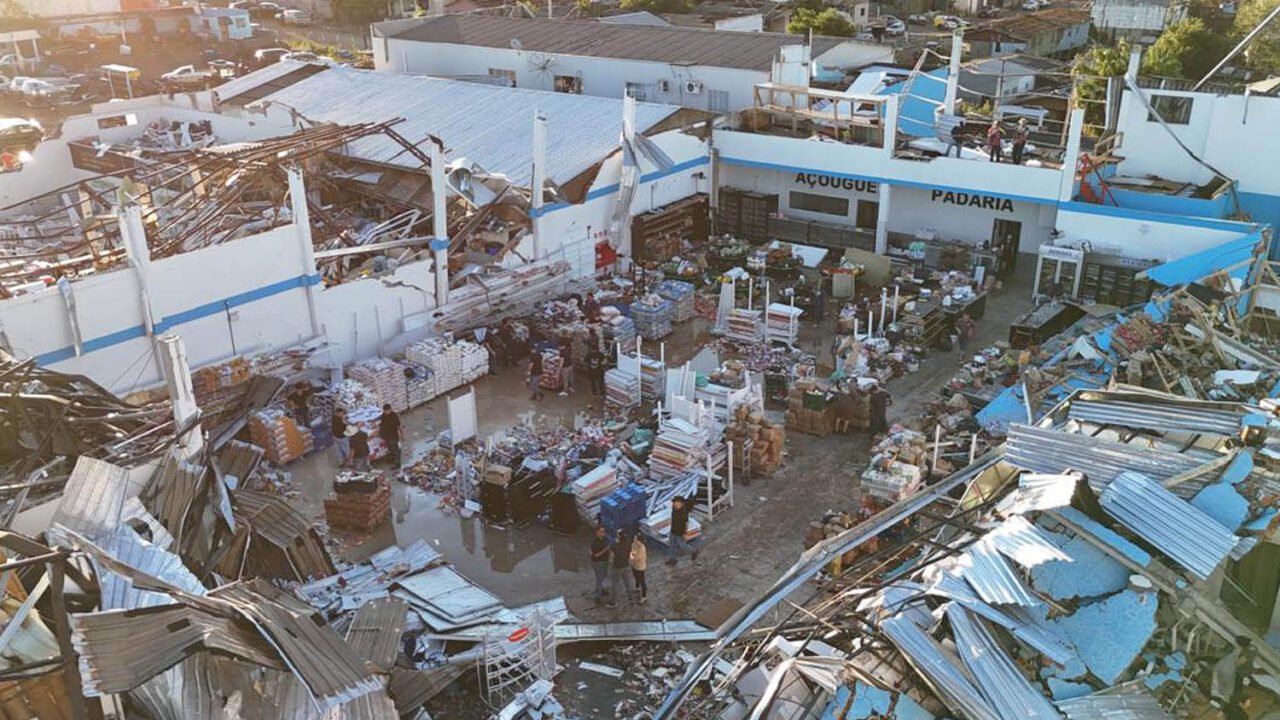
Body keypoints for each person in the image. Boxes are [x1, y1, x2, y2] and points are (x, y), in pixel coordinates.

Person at [666, 496, 700, 565]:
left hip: (680, 532)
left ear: (681, 503)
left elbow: (686, 523)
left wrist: (685, 533)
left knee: (682, 545)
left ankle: (694, 550)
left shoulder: (683, 513)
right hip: (673, 530)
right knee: (672, 545)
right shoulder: (674, 509)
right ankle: (673, 559)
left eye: (676, 503)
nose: (674, 504)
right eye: (674, 503)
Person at [609, 529, 633, 607]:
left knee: (614, 585)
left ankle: (613, 602)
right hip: (626, 565)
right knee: (628, 583)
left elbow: (611, 557)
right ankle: (631, 598)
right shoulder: (628, 544)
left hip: (617, 567)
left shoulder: (614, 546)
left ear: (618, 536)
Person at [590, 525, 611, 604]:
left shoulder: (605, 539)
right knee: (599, 579)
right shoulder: (595, 543)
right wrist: (605, 549)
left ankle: (602, 590)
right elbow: (596, 555)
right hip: (598, 563)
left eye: (604, 532)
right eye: (601, 532)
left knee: (603, 576)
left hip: (605, 561)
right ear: (597, 532)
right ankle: (597, 597)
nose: (603, 533)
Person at [380, 403, 402, 468]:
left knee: (395, 448)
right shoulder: (383, 416)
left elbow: (398, 426)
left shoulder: (394, 416)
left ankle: (397, 463)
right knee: (390, 448)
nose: (386, 412)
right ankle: (392, 458)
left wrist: (401, 434)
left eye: (387, 410)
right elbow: (382, 424)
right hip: (386, 435)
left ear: (390, 409)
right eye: (385, 411)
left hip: (393, 435)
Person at [630, 533, 648, 604]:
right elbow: (632, 552)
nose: (634, 539)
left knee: (642, 581)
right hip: (634, 565)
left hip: (640, 566)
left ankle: (644, 597)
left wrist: (631, 559)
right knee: (636, 576)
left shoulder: (642, 548)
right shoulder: (633, 544)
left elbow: (637, 558)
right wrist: (632, 557)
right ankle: (637, 588)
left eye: (635, 538)